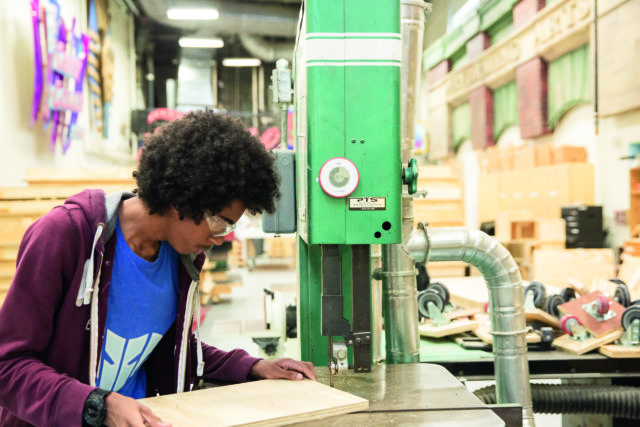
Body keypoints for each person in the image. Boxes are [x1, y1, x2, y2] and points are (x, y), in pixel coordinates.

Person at [0, 111, 316, 427]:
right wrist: (96, 405)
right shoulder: (66, 236)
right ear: (183, 199)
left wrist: (252, 367)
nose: (220, 238)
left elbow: (168, 349)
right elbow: (8, 366)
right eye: (219, 222)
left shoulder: (178, 259)